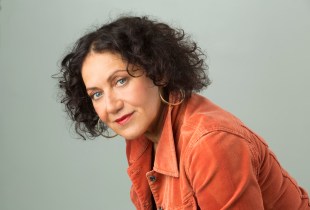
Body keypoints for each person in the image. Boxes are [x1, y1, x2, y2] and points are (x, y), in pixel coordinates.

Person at [55, 16, 310, 209]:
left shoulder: (210, 143)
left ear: (159, 72)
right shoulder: (142, 137)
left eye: (121, 81)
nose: (110, 106)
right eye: (96, 94)